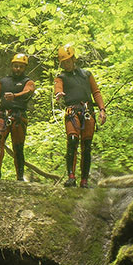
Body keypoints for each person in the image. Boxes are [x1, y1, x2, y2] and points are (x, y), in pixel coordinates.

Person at [53, 45, 106, 188]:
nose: (66, 64)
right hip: (72, 112)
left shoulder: (87, 74)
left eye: (68, 61)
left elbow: (96, 92)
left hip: (87, 111)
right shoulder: (60, 77)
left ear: (74, 59)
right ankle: (71, 177)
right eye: (63, 62)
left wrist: (102, 109)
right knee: (72, 141)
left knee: (87, 146)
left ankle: (84, 180)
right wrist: (58, 94)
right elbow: (58, 87)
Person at [0, 53, 36, 180]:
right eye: (16, 66)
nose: (18, 69)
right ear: (12, 66)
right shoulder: (4, 82)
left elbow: (28, 92)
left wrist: (14, 96)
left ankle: (20, 176)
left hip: (18, 117)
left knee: (18, 146)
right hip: (3, 115)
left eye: (21, 67)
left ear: (25, 68)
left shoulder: (28, 82)